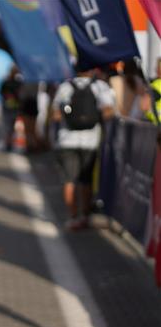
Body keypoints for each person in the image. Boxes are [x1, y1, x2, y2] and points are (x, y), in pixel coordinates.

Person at [51, 69, 115, 230]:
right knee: (86, 180)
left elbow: (56, 114)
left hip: (67, 139)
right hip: (90, 141)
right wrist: (93, 118)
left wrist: (69, 115)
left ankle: (73, 217)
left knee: (69, 180)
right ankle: (85, 216)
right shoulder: (100, 86)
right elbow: (108, 111)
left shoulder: (65, 87)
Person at [0, 65, 22, 151]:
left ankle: (9, 142)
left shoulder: (16, 82)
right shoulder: (9, 82)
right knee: (8, 125)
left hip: (13, 106)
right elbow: (1, 92)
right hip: (9, 106)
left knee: (10, 125)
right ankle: (8, 142)